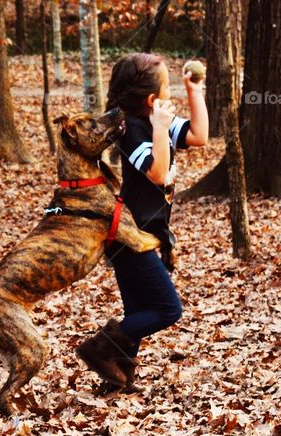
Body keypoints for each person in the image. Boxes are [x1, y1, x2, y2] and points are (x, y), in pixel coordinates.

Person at [77, 53, 208, 393]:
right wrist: (161, 129)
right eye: (168, 87)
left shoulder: (154, 119)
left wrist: (195, 92)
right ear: (152, 99)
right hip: (128, 235)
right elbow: (158, 172)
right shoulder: (133, 130)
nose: (171, 94)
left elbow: (198, 136)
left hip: (145, 233)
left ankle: (118, 378)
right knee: (167, 309)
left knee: (138, 307)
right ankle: (99, 348)